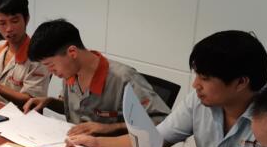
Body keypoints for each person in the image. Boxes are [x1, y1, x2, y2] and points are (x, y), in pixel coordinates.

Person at [69, 30, 267, 147]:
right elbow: (153, 140)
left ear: (241, 82)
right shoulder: (200, 101)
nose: (195, 85)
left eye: (205, 78)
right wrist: (94, 144)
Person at [23, 18, 169, 133]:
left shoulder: (123, 79)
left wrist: (109, 128)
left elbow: (162, 121)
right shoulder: (70, 75)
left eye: (50, 65)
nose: (50, 71)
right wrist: (49, 102)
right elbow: (79, 111)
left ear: (72, 52)